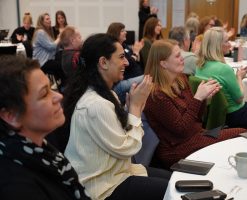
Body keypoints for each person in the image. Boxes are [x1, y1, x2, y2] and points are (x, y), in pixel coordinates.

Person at [63, 34, 171, 200]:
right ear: (103, 62)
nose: (127, 62)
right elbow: (128, 149)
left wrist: (133, 107)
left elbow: (120, 136)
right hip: (103, 187)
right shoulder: (95, 104)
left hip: (117, 173)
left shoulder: (106, 94)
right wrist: (135, 108)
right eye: (121, 57)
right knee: (174, 189)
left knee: (175, 179)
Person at [143, 39, 247, 168]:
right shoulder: (156, 95)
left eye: (180, 54)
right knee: (242, 134)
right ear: (163, 64)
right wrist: (198, 98)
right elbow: (181, 129)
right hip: (177, 149)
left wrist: (204, 99)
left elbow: (197, 119)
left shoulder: (180, 80)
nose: (182, 58)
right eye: (177, 56)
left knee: (243, 133)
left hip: (195, 135)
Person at [0, 55, 90, 200]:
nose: (59, 96)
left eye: (51, 88)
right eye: (44, 94)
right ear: (12, 115)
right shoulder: (16, 186)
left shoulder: (42, 149)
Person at [107, 22, 144, 104]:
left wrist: (136, 53)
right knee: (151, 78)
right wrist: (135, 53)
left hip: (132, 77)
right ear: (115, 33)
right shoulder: (112, 48)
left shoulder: (125, 46)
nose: (126, 32)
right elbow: (128, 64)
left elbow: (133, 62)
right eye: (122, 30)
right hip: (121, 83)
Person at [32, 13, 65, 88]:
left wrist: (60, 43)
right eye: (47, 19)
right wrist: (59, 38)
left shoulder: (46, 32)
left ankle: (62, 84)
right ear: (42, 21)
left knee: (63, 58)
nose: (50, 21)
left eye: (49, 19)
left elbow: (55, 48)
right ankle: (63, 86)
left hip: (48, 60)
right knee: (62, 66)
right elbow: (51, 47)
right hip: (42, 62)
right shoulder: (40, 32)